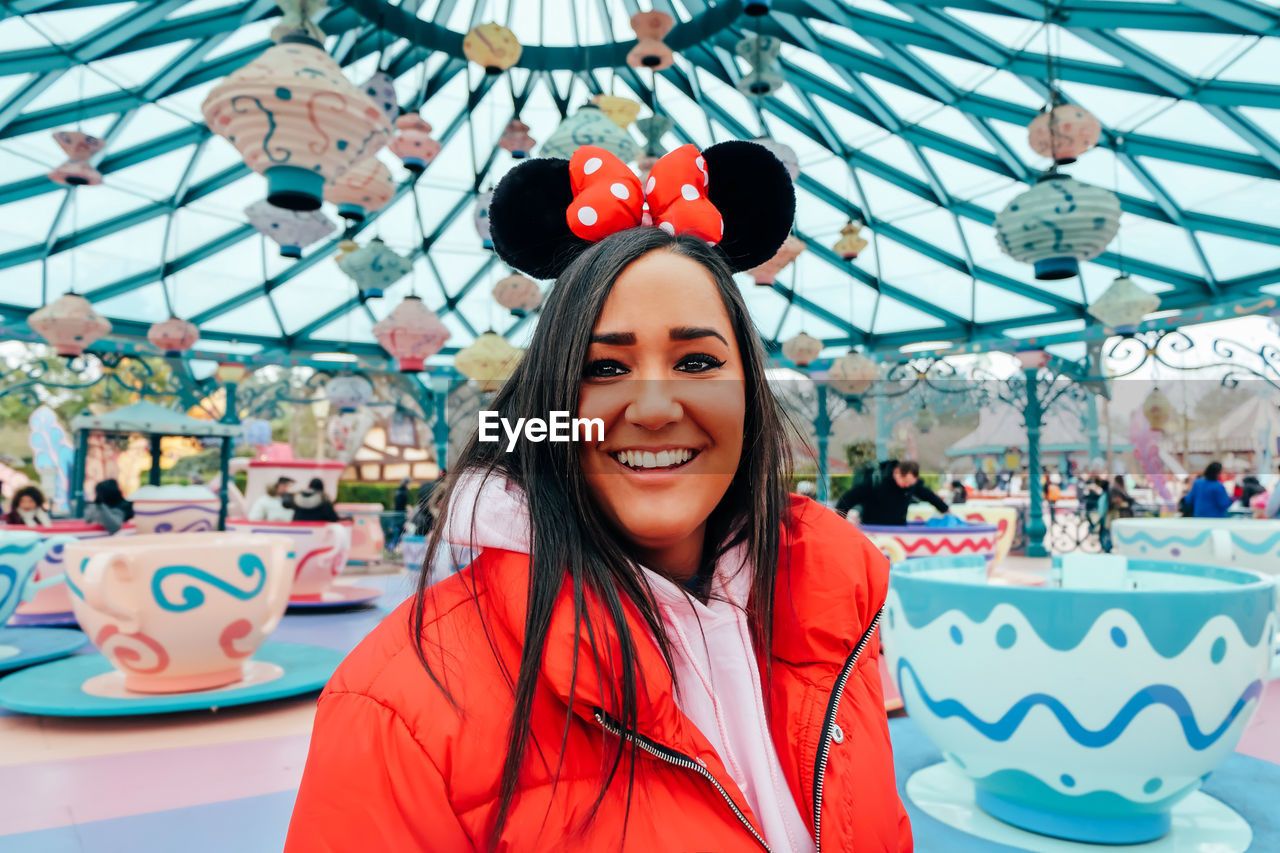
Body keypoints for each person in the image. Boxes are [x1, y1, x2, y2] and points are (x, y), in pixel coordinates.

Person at [287, 142, 912, 851]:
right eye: (604, 367)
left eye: (698, 361)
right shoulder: (398, 701)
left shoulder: (840, 611)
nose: (651, 407)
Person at [836, 459, 948, 526]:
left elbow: (928, 495)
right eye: (906, 482)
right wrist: (839, 519)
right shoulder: (877, 481)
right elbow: (849, 497)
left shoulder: (910, 485)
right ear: (897, 473)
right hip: (874, 529)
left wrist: (945, 509)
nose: (907, 486)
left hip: (898, 529)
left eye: (911, 484)